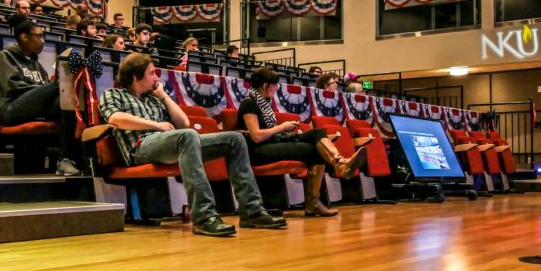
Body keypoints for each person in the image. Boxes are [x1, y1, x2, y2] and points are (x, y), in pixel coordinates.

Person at [99, 53, 287, 237]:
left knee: (234, 139)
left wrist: (163, 95)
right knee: (188, 136)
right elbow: (116, 118)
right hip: (140, 147)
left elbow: (183, 124)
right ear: (135, 75)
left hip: (169, 142)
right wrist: (157, 125)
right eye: (151, 73)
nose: (157, 77)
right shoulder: (113, 94)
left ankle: (252, 211)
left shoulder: (154, 98)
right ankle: (204, 216)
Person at [238, 68, 367, 217]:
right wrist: (281, 127)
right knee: (315, 150)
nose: (278, 88)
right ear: (266, 85)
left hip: (272, 142)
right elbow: (256, 136)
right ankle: (315, 201)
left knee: (318, 133)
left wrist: (284, 129)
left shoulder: (264, 103)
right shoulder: (249, 103)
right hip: (257, 150)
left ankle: (341, 164)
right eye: (276, 85)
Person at [0, 19, 80, 176]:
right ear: (24, 37)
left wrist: (44, 93)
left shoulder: (37, 65)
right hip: (10, 109)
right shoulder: (5, 56)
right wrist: (43, 92)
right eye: (39, 36)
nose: (43, 40)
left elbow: (45, 93)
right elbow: (13, 88)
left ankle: (66, 159)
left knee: (67, 100)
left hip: (33, 110)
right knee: (61, 85)